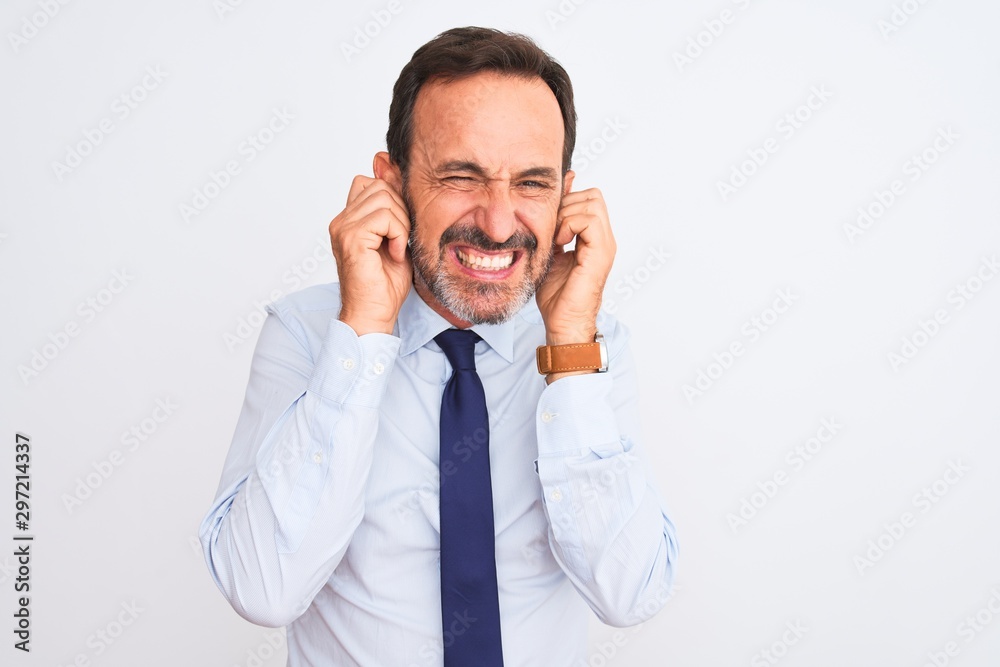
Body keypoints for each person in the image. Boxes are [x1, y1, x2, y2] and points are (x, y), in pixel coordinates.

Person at [200, 26, 678, 666]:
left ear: (565, 197)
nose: (499, 224)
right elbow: (263, 589)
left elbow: (629, 594)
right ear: (390, 183)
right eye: (461, 175)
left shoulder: (592, 346)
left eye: (532, 184)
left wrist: (569, 350)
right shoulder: (307, 333)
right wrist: (364, 328)